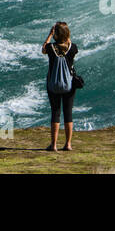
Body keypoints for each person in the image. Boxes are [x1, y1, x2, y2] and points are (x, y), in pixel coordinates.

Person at [41, 22, 78, 152]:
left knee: (55, 113)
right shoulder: (73, 48)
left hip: (53, 84)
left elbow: (43, 49)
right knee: (68, 113)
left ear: (55, 34)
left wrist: (49, 35)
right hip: (69, 85)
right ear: (67, 34)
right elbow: (71, 46)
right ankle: (68, 144)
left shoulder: (51, 48)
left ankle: (54, 145)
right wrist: (67, 36)